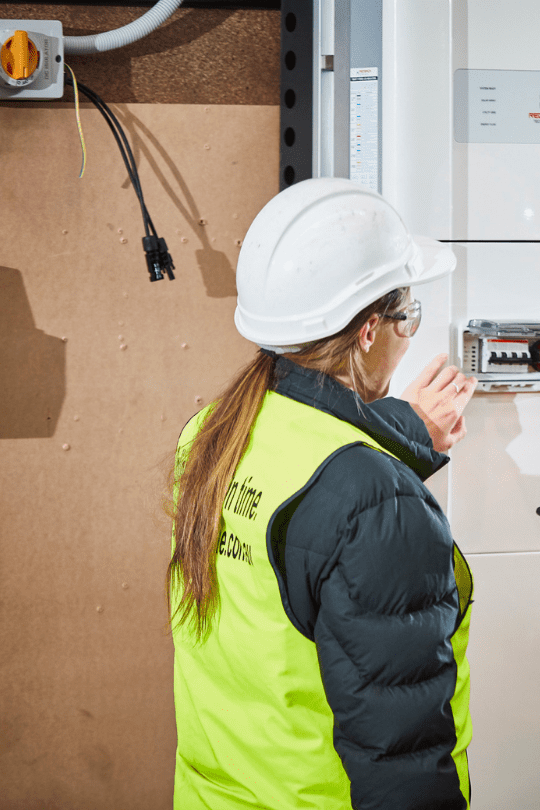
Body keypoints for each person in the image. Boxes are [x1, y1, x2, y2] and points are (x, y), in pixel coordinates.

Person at [167, 178, 479, 809]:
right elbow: (402, 757)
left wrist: (406, 430)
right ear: (368, 331)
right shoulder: (372, 500)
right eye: (408, 315)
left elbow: (316, 513)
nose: (410, 333)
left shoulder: (211, 436)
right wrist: (391, 478)